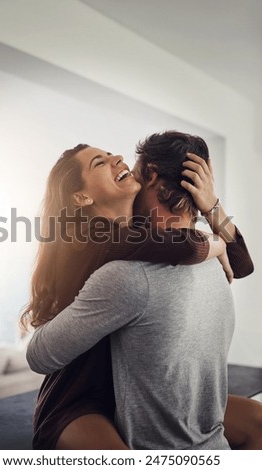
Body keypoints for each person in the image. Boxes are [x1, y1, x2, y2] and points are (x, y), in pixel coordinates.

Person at [23, 131, 260, 449]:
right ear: (81, 197)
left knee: (257, 420)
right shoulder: (91, 237)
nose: (116, 159)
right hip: (83, 395)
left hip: (133, 390)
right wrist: (216, 244)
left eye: (111, 153)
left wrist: (211, 205)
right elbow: (189, 246)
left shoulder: (140, 234)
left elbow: (241, 264)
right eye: (100, 162)